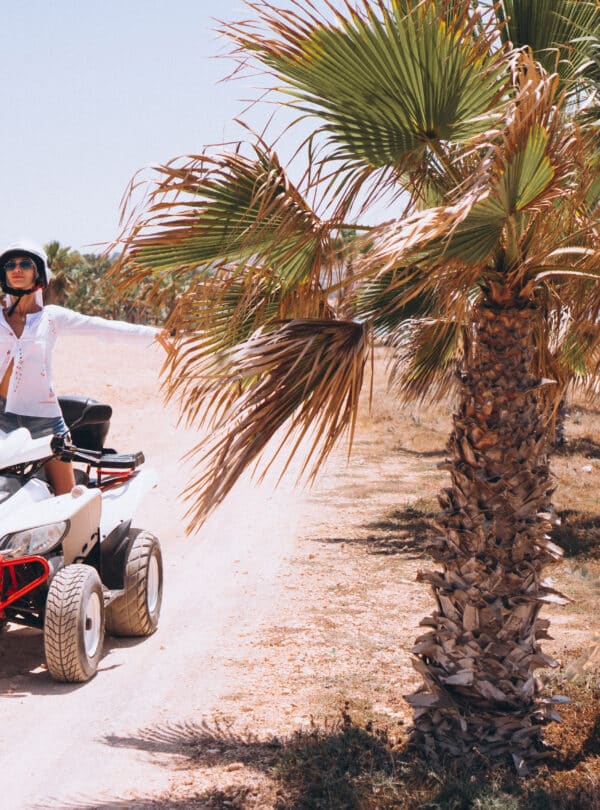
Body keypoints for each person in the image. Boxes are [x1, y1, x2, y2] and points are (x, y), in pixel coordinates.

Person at [0, 240, 170, 495]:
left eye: (25, 264)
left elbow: (101, 327)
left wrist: (151, 333)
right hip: (2, 420)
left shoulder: (52, 318)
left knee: (66, 498)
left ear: (38, 273)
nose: (16, 269)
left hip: (45, 421)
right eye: (10, 265)